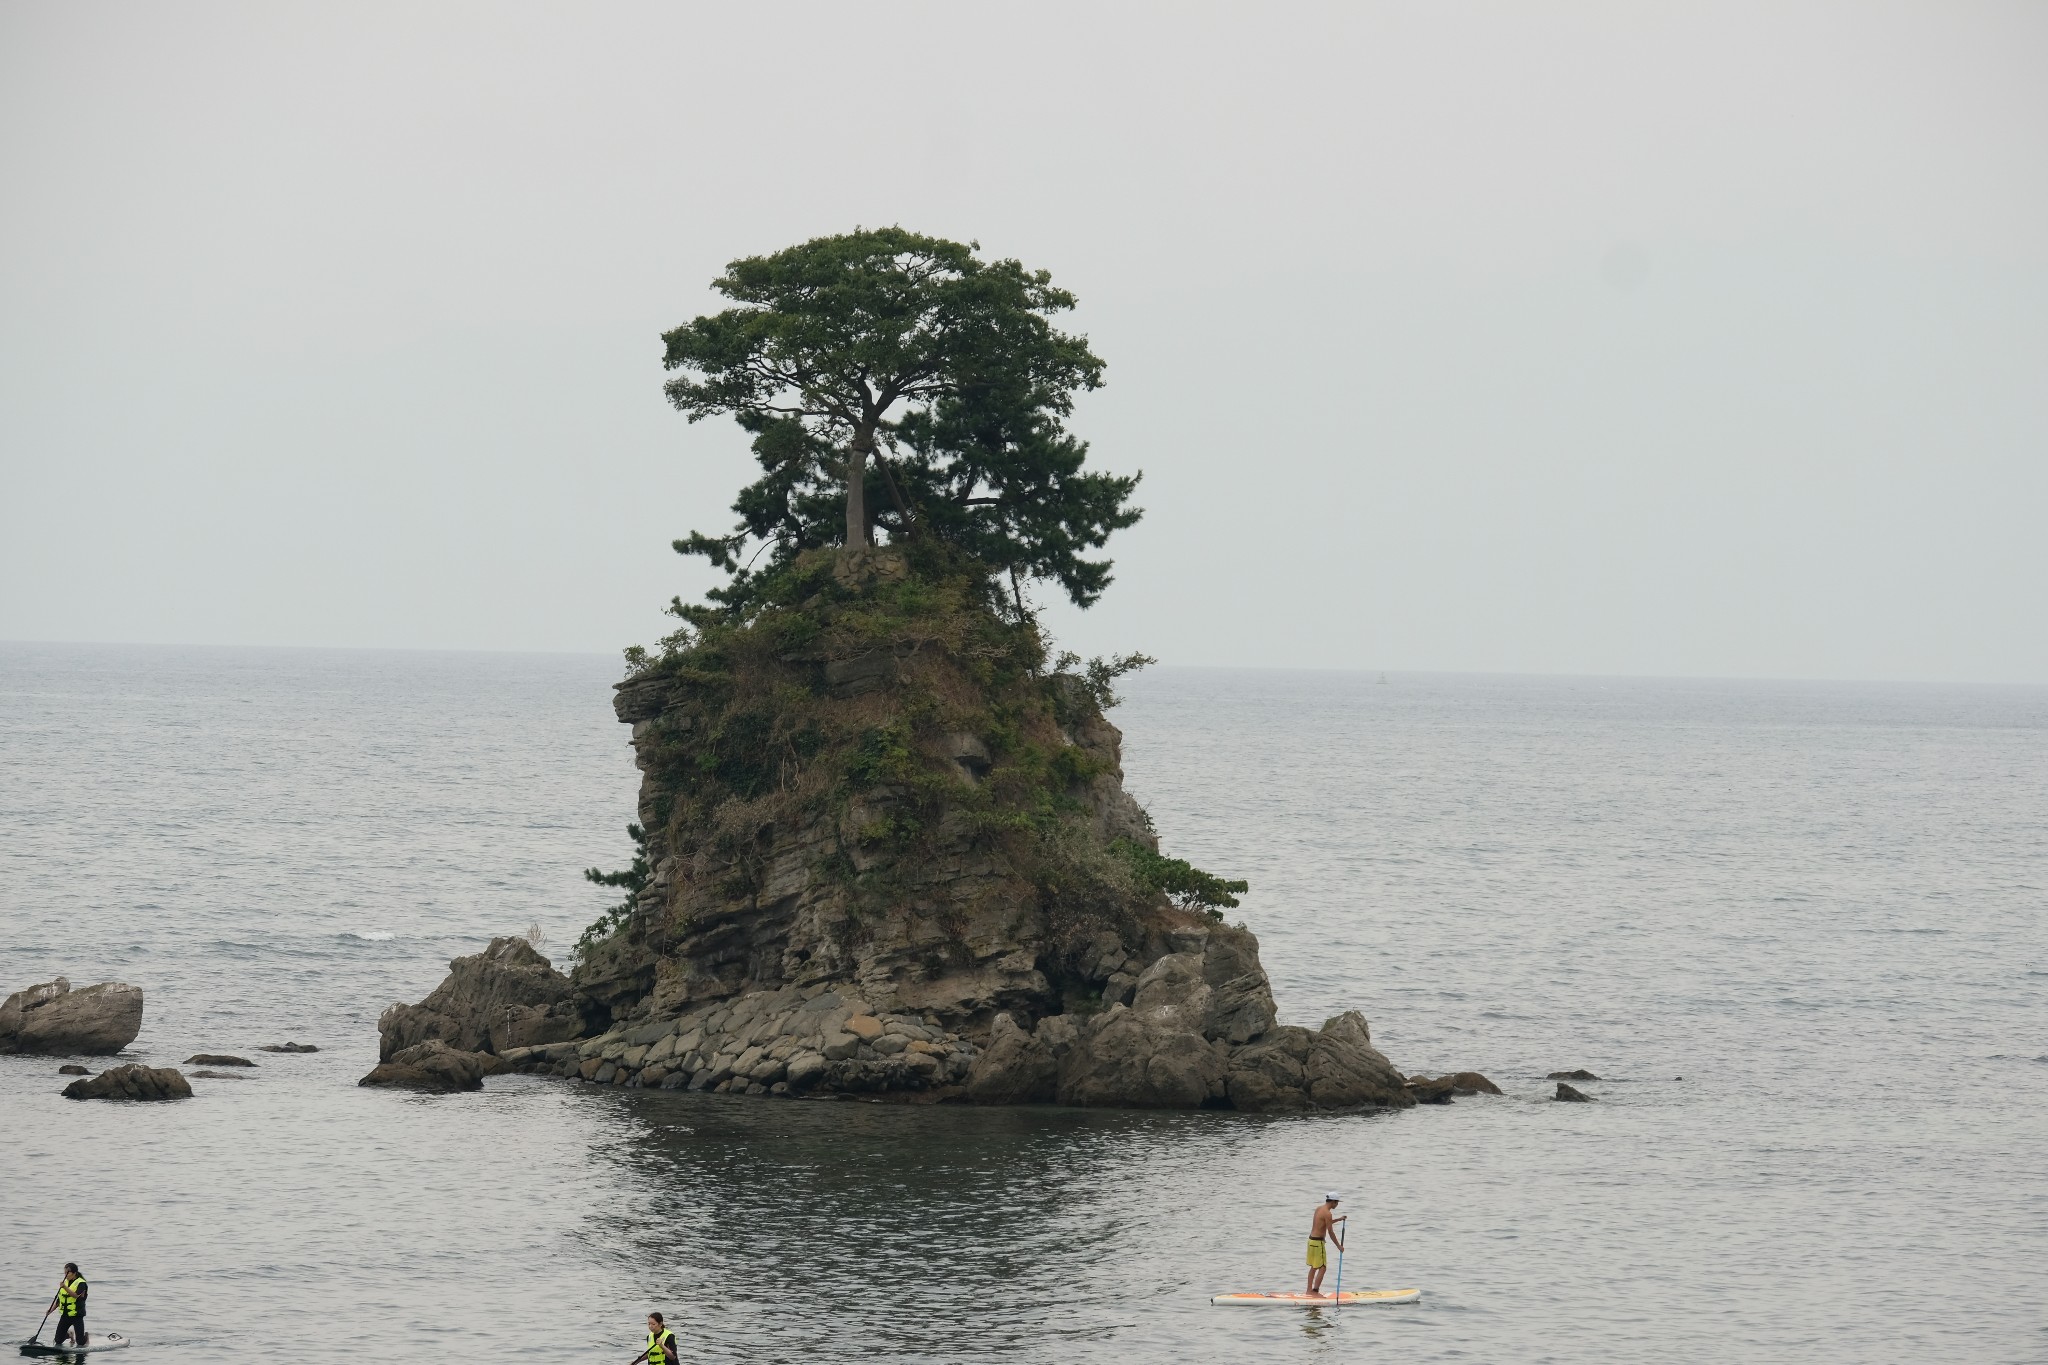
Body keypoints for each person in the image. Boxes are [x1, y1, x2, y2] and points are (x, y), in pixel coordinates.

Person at [1305, 1193, 1346, 1297]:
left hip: (1311, 1241)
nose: (1337, 1205)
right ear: (1333, 1202)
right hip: (1318, 1243)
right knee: (1322, 1267)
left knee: (1313, 1267)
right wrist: (1338, 1246)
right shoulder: (1328, 1213)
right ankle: (1315, 1292)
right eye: (1337, 1203)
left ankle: (1309, 1290)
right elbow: (1330, 1232)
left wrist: (1339, 1219)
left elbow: (1324, 1222)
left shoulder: (1319, 1209)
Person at [51, 1262, 89, 1347]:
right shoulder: (65, 1283)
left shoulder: (81, 1283)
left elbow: (75, 1295)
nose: (66, 1275)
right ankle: (69, 1334)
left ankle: (86, 1336)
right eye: (65, 1273)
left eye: (68, 1273)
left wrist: (64, 1287)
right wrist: (51, 1310)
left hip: (77, 1315)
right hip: (65, 1315)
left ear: (74, 1273)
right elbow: (60, 1299)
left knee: (80, 1342)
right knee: (58, 1340)